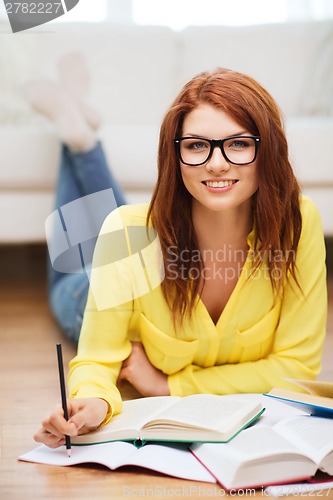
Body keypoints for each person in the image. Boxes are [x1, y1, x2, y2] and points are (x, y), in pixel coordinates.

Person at [32, 65, 327, 450]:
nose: (217, 163)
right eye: (196, 145)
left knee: (124, 221)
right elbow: (98, 360)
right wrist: (94, 401)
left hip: (136, 245)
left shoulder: (299, 222)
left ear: (267, 149)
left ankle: (80, 138)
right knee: (87, 240)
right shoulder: (125, 230)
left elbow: (297, 370)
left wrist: (169, 385)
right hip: (84, 293)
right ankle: (76, 142)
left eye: (238, 143)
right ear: (176, 154)